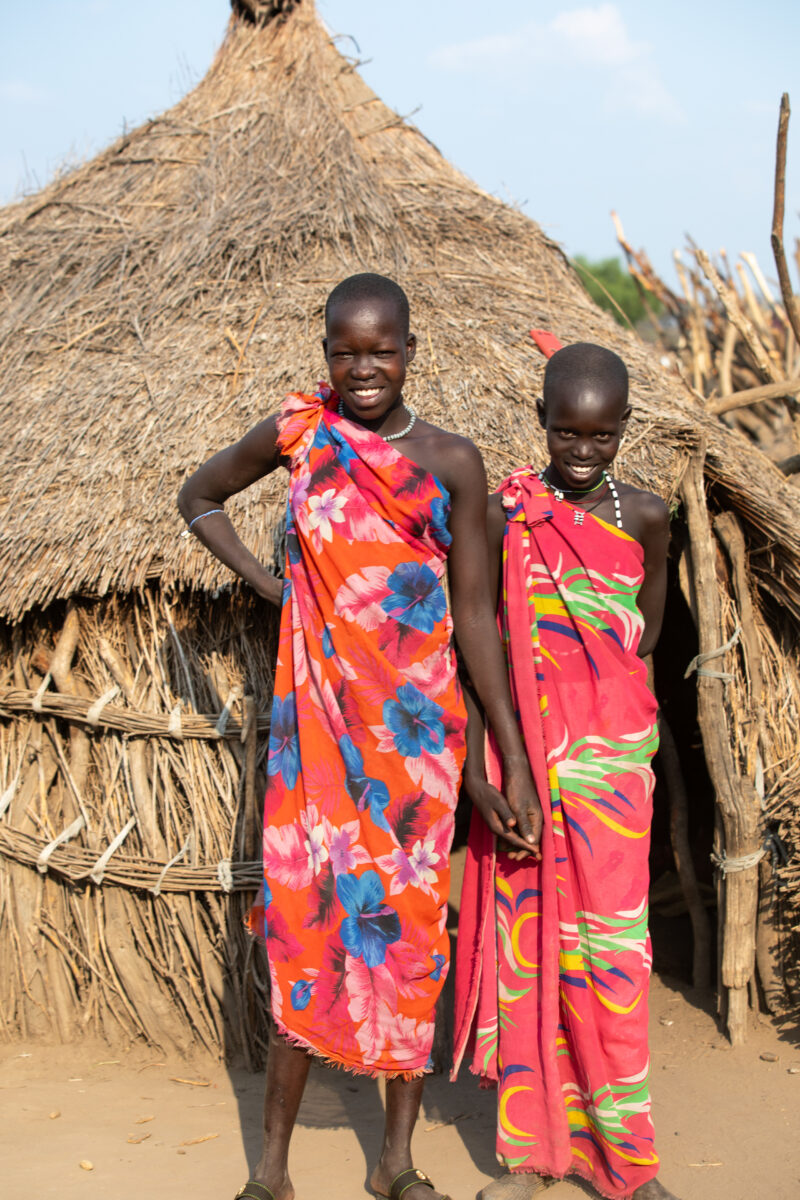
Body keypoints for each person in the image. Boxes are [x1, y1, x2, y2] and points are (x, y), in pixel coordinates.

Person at [177, 273, 542, 1200]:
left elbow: (475, 619)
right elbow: (200, 496)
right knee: (304, 929)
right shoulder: (300, 433)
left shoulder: (452, 461)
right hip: (315, 732)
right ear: (327, 353)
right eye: (347, 351)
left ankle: (395, 1163)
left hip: (415, 743)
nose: (364, 368)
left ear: (412, 351)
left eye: (382, 351)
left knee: (408, 938)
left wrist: (511, 760)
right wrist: (274, 587)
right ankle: (272, 1171)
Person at [452, 342, 679, 1200]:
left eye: (601, 435)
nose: (582, 451)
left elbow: (644, 634)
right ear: (541, 420)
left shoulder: (647, 516)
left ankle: (628, 1161)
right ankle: (533, 1156)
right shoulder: (505, 516)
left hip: (613, 773)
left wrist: (596, 711)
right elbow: (477, 642)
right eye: (566, 432)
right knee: (531, 956)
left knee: (613, 960)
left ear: (624, 428)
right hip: (526, 770)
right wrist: (486, 767)